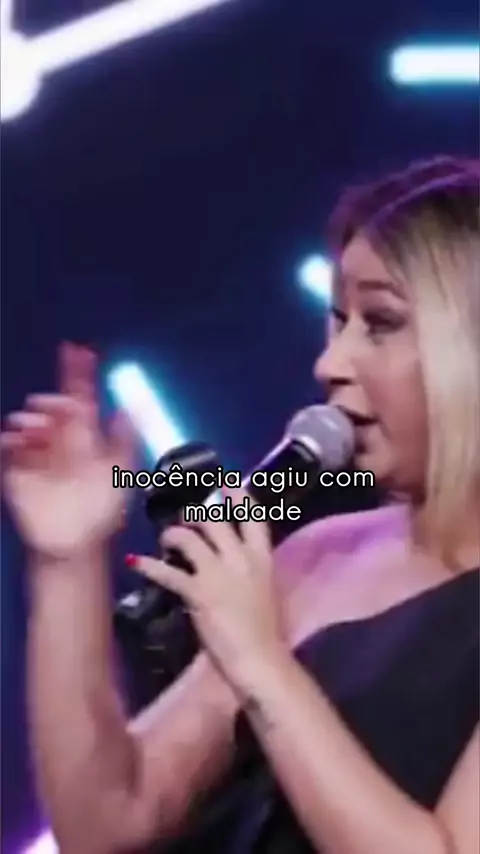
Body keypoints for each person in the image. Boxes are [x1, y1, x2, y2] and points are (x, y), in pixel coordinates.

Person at [2, 155, 479, 854]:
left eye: (380, 322)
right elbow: (108, 820)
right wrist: (67, 561)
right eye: (338, 321)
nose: (329, 364)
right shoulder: (319, 556)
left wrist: (259, 659)